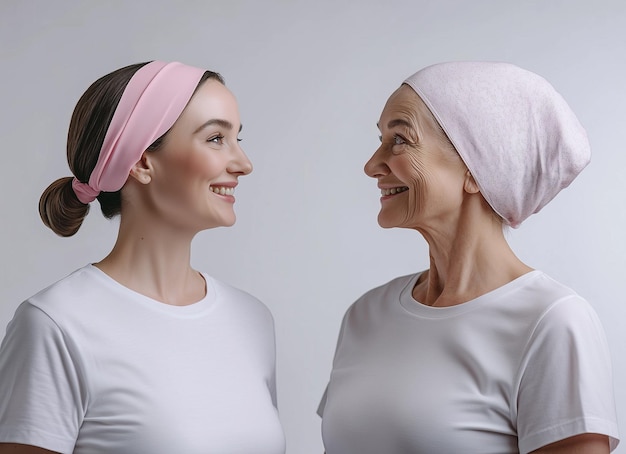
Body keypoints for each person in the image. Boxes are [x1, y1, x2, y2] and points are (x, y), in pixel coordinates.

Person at [318, 62, 619, 453]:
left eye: (399, 140)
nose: (372, 165)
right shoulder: (366, 315)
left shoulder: (553, 323)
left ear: (477, 170)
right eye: (381, 139)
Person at [0, 61, 285, 454]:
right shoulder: (56, 325)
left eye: (238, 138)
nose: (243, 163)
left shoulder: (252, 320)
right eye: (217, 138)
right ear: (140, 161)